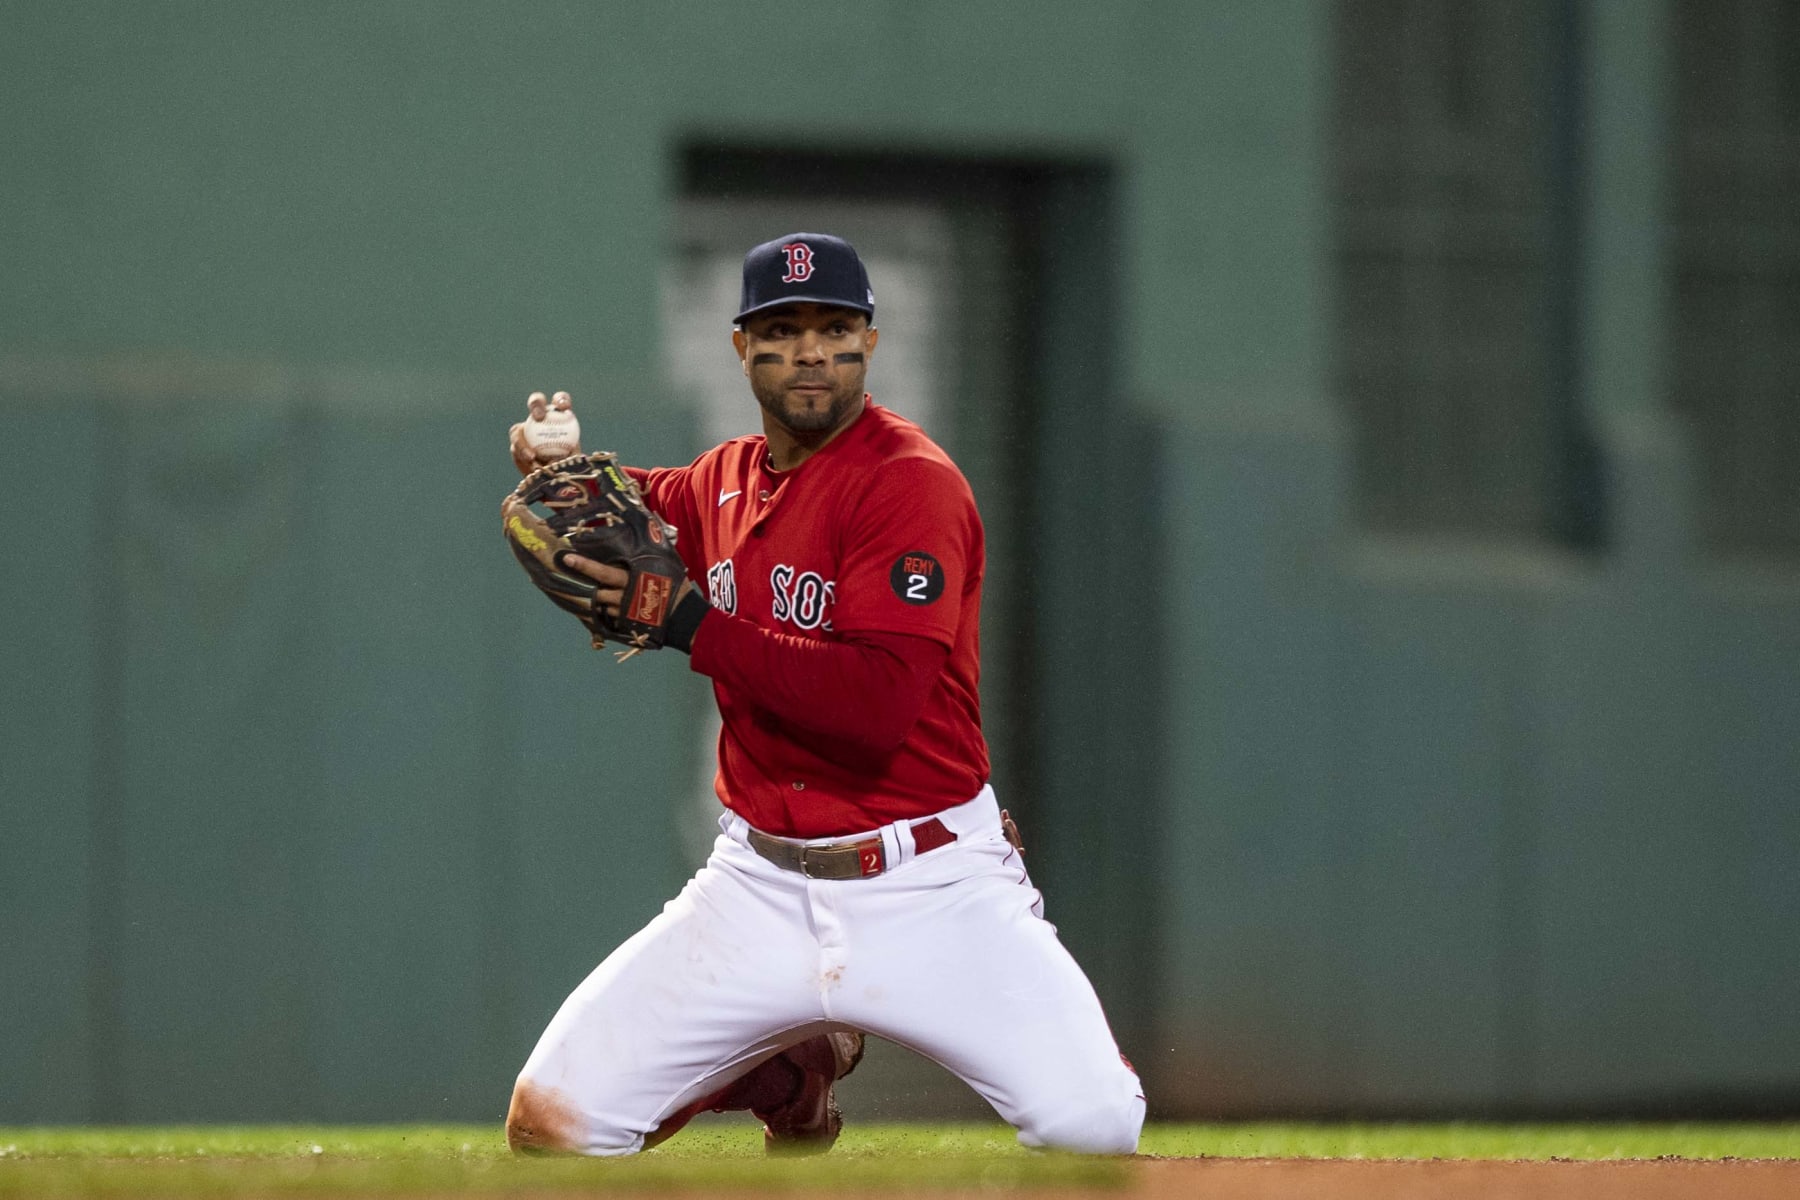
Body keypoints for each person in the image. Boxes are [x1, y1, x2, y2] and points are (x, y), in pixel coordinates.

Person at [503, 233, 1145, 1157]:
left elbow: (877, 707)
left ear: (869, 345)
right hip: (756, 884)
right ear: (742, 348)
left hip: (929, 880)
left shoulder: (910, 485)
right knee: (554, 1124)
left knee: (1093, 1131)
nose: (811, 351)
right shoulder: (718, 480)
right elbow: (622, 513)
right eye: (783, 329)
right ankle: (787, 1065)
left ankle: (788, 1053)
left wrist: (690, 625)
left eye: (835, 327)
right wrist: (553, 469)